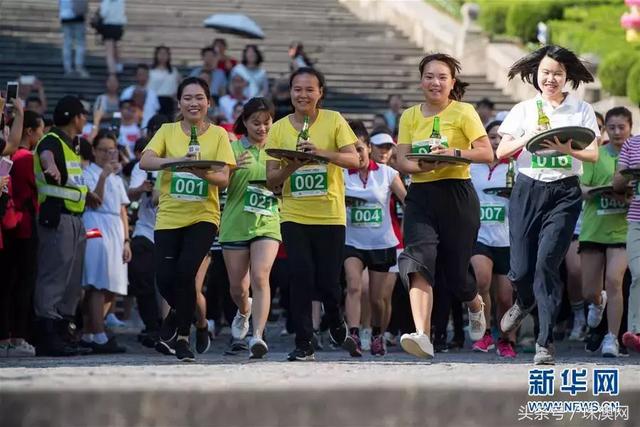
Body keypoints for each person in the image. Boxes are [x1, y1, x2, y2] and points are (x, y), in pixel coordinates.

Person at [496, 45, 600, 365]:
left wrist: (566, 147)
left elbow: (593, 153)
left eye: (557, 73)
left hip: (565, 193)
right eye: (545, 73)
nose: (550, 78)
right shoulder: (524, 109)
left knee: (545, 267)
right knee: (521, 269)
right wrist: (528, 138)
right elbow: (502, 152)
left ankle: (544, 341)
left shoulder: (580, 110)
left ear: (567, 76)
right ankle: (523, 300)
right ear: (536, 75)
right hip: (528, 189)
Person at [395, 53, 493, 359]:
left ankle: (474, 302)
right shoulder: (410, 116)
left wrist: (452, 152)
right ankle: (422, 335)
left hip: (457, 195)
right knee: (417, 261)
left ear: (452, 83)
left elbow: (486, 152)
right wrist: (421, 167)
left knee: (455, 274)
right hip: (421, 195)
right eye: (428, 76)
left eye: (441, 77)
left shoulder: (464, 112)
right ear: (421, 80)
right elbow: (400, 159)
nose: (434, 82)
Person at [266, 67, 359, 361]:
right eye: (297, 89)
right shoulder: (279, 128)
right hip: (294, 213)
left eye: (309, 89)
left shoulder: (334, 120)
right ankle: (304, 342)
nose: (303, 95)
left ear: (320, 93)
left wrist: (320, 154)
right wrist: (294, 162)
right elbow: (271, 180)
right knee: (300, 277)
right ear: (289, 93)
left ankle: (335, 320)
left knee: (329, 283)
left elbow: (354, 159)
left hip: (329, 215)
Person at [140, 77, 236, 362]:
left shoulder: (218, 134)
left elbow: (223, 179)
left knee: (185, 274)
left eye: (199, 98)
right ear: (179, 102)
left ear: (208, 102)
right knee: (165, 278)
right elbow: (146, 160)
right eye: (187, 98)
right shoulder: (168, 131)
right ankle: (199, 321)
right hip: (169, 216)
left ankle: (182, 337)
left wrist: (197, 171)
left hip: (203, 216)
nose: (193, 103)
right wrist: (175, 162)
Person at [218, 97, 281, 359]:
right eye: (256, 123)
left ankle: (257, 334)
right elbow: (219, 185)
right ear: (244, 122)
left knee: (260, 276)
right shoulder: (231, 149)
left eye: (267, 123)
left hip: (267, 221)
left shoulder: (278, 150)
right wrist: (231, 171)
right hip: (235, 222)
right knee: (238, 288)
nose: (262, 128)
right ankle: (244, 310)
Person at [33, 96, 90, 356]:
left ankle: (64, 333)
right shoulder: (52, 141)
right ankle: (47, 336)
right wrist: (50, 165)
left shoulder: (71, 145)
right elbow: (45, 155)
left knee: (71, 283)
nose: (85, 120)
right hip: (58, 218)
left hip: (76, 220)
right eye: (83, 115)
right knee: (54, 278)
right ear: (74, 117)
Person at [343, 121, 406, 357]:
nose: (355, 155)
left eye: (359, 149)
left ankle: (378, 334)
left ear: (368, 147)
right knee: (354, 287)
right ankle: (355, 335)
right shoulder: (340, 174)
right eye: (349, 150)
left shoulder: (388, 173)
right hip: (352, 241)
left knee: (378, 298)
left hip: (382, 242)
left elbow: (406, 201)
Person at [579, 107, 632, 358]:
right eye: (612, 127)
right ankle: (597, 302)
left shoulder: (635, 157)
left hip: (622, 230)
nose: (617, 132)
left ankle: (612, 338)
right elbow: (583, 187)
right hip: (593, 228)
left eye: (622, 127)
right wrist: (596, 191)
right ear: (605, 129)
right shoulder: (596, 154)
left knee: (614, 280)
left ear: (630, 128)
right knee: (589, 289)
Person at [469, 120, 517, 358]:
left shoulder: (515, 168)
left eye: (501, 137)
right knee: (481, 280)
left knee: (505, 297)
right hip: (480, 236)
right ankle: (484, 332)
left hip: (507, 240)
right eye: (491, 137)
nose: (496, 141)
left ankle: (506, 339)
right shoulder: (472, 167)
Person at [79, 130, 130, 353]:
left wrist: (127, 240)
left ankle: (91, 331)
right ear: (95, 151)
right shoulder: (88, 173)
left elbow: (122, 210)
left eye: (113, 150)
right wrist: (103, 176)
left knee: (113, 284)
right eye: (104, 149)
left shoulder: (118, 179)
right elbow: (95, 202)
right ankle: (98, 334)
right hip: (95, 225)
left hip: (115, 229)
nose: (109, 154)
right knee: (97, 281)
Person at [0, 110, 43, 357]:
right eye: (40, 129)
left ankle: (6, 337)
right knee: (22, 285)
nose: (42, 133)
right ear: (29, 131)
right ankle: (16, 337)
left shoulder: (10, 155)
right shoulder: (26, 158)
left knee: (7, 284)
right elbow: (39, 187)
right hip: (23, 226)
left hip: (9, 226)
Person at [612, 111, 640, 354]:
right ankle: (635, 331)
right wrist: (628, 177)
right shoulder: (632, 144)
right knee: (638, 274)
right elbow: (617, 183)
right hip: (636, 221)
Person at [121, 64, 161, 128]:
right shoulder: (127, 92)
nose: (142, 77)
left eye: (145, 74)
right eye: (140, 74)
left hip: (147, 128)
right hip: (129, 128)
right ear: (136, 76)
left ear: (148, 76)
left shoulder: (153, 94)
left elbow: (156, 112)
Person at [148, 46, 182, 119]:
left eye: (165, 54)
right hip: (154, 101)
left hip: (169, 101)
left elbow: (180, 85)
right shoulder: (151, 71)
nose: (162, 56)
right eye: (160, 53)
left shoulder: (174, 71)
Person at [59, 0, 89, 78]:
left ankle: (67, 67)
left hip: (64, 16)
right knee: (80, 43)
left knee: (67, 43)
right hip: (77, 16)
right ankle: (78, 66)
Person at [98, 0, 126, 75]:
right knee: (116, 48)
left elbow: (104, 13)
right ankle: (119, 67)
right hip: (119, 26)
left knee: (109, 52)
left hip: (108, 26)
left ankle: (112, 72)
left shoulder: (106, 1)